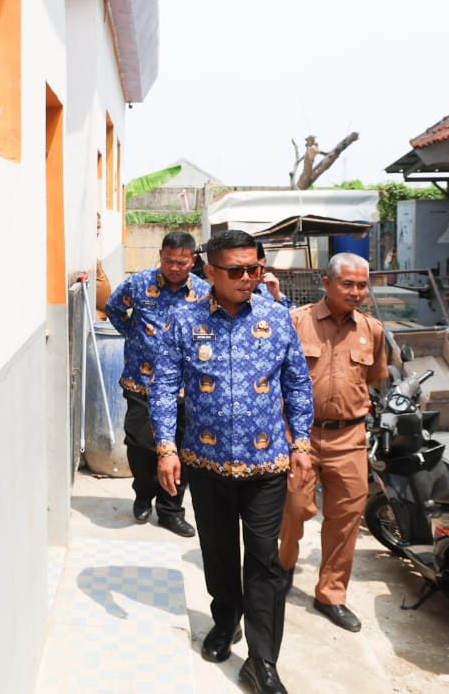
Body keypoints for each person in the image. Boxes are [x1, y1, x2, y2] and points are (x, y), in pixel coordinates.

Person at [150, 229, 313, 694]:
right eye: (237, 270)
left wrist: (302, 443)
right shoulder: (184, 320)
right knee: (219, 554)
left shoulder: (276, 317)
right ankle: (225, 621)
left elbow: (297, 383)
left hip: (266, 466)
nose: (248, 278)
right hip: (205, 464)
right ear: (210, 272)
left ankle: (263, 662)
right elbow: (164, 386)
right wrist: (165, 448)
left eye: (255, 268)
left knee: (264, 561)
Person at [277, 252, 387, 634]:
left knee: (346, 518)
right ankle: (283, 566)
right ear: (327, 283)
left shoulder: (372, 330)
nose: (356, 292)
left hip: (349, 437)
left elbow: (373, 378)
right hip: (301, 436)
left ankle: (331, 594)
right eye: (348, 284)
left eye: (362, 285)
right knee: (294, 508)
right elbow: (276, 378)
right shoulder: (297, 321)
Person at [105, 232, 209, 537]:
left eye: (182, 262)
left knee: (181, 449)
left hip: (184, 387)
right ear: (160, 255)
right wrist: (134, 336)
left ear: (193, 260)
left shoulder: (204, 292)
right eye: (169, 261)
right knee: (140, 444)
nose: (174, 268)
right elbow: (113, 308)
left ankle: (170, 510)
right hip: (142, 381)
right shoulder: (138, 284)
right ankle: (143, 492)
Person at [252, 241, 292, 309]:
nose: (258, 277)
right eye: (253, 270)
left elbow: (292, 312)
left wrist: (276, 296)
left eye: (261, 269)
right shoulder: (235, 292)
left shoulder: (267, 290)